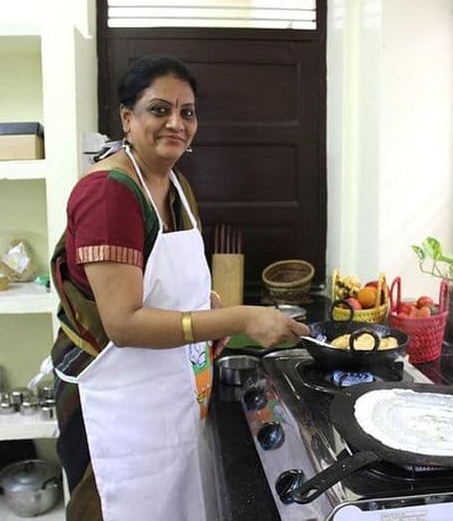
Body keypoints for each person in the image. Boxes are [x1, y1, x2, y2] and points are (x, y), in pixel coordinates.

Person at [37, 55, 310, 521]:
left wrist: (207, 302)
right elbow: (123, 323)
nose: (176, 124)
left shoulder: (175, 184)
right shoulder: (110, 194)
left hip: (164, 386)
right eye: (159, 109)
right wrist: (239, 318)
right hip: (112, 397)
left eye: (187, 112)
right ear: (128, 117)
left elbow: (166, 280)